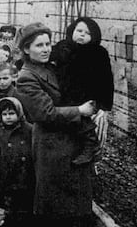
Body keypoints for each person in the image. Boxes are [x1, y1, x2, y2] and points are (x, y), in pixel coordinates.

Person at [15, 22, 97, 227]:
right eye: (39, 45)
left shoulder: (51, 67)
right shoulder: (27, 77)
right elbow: (45, 113)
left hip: (72, 139)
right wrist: (80, 110)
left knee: (76, 200)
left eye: (48, 44)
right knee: (57, 205)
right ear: (26, 49)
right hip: (53, 146)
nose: (46, 49)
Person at [51, 17, 114, 164]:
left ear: (94, 37)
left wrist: (104, 104)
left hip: (87, 95)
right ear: (72, 31)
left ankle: (90, 146)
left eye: (87, 33)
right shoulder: (63, 47)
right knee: (67, 122)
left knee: (85, 123)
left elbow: (106, 80)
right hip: (64, 92)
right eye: (79, 31)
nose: (82, 35)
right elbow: (48, 55)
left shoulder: (98, 53)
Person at [0, 97, 34, 227]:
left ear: (19, 113)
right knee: (9, 200)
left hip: (24, 170)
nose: (8, 117)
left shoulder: (29, 129)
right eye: (4, 114)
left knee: (24, 199)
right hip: (6, 169)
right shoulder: (0, 130)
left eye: (11, 113)